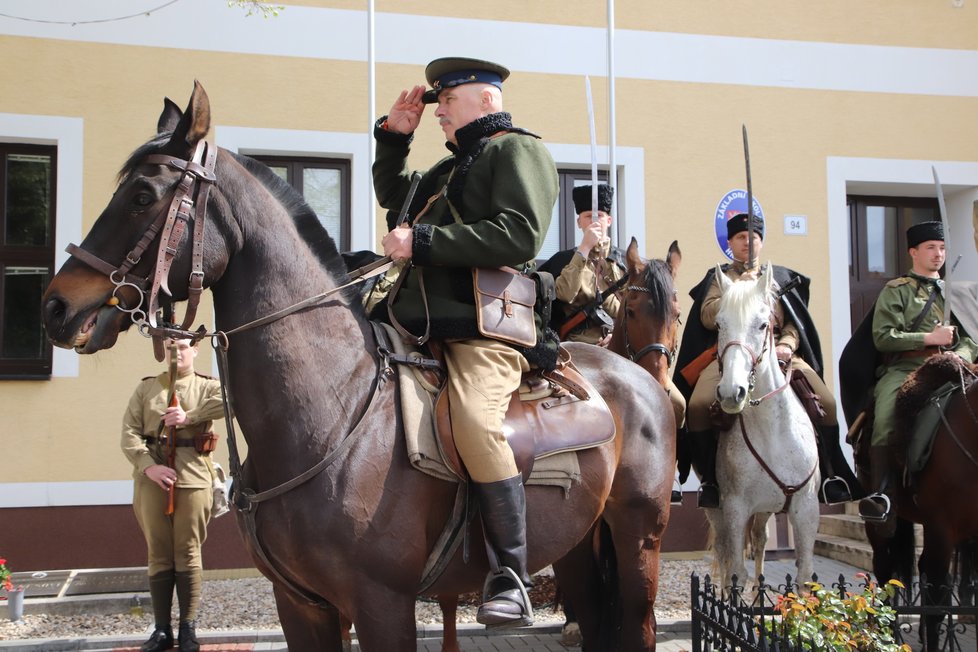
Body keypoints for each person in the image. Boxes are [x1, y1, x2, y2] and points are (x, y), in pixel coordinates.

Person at [372, 56, 558, 627]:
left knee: (476, 420)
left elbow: (520, 232)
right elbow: (397, 202)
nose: (438, 112)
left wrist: (422, 242)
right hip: (415, 320)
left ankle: (512, 575)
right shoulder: (451, 168)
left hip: (479, 327)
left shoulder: (516, 151)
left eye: (445, 102)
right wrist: (393, 141)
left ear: (486, 100)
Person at [673, 213, 859, 509]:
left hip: (780, 354)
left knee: (827, 402)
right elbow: (708, 317)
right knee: (696, 406)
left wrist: (787, 344)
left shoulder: (780, 278)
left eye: (753, 237)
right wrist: (739, 290)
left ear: (761, 241)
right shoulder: (719, 279)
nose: (747, 242)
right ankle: (709, 479)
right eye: (740, 238)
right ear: (730, 243)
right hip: (730, 355)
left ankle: (830, 475)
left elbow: (795, 323)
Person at [857, 221, 978, 529]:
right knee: (884, 417)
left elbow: (970, 341)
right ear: (913, 252)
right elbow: (883, 337)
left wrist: (958, 354)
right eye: (930, 248)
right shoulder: (897, 291)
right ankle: (883, 493)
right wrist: (928, 339)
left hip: (951, 368)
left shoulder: (956, 293)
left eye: (942, 248)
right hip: (906, 369)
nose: (938, 254)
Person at [121, 338, 224, 652]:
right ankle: (162, 630)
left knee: (188, 551)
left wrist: (189, 417)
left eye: (182, 346)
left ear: (194, 350)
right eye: (169, 347)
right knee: (159, 552)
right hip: (153, 477)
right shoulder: (146, 388)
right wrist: (148, 467)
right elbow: (130, 432)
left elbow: (232, 401)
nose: (175, 352)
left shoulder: (208, 386)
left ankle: (188, 627)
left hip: (193, 475)